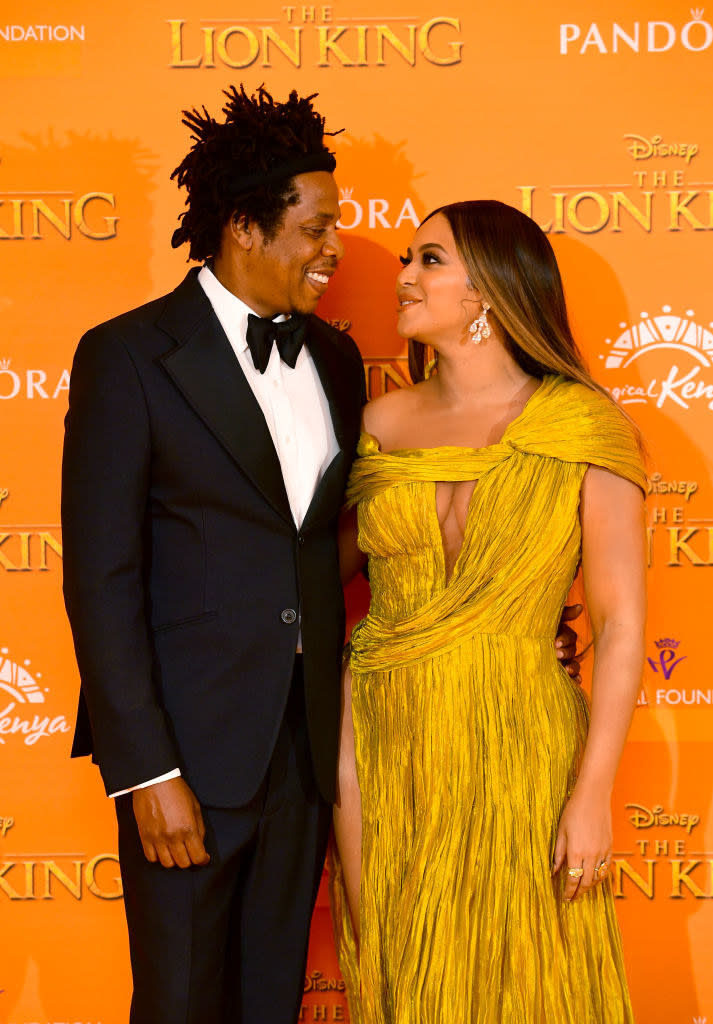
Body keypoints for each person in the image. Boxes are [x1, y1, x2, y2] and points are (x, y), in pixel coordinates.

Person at [61, 84, 366, 1024]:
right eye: (315, 227)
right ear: (243, 225)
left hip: (304, 749)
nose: (333, 250)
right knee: (181, 998)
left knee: (270, 998)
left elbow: (329, 542)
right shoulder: (128, 355)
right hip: (186, 752)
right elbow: (100, 577)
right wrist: (145, 772)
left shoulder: (337, 359)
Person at [331, 200, 646, 1023]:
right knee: (399, 974)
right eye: (407, 257)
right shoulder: (374, 424)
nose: (403, 276)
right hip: (377, 737)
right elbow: (304, 584)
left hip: (522, 739)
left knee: (531, 977)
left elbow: (617, 626)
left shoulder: (583, 426)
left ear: (490, 293)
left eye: (429, 260)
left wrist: (591, 794)